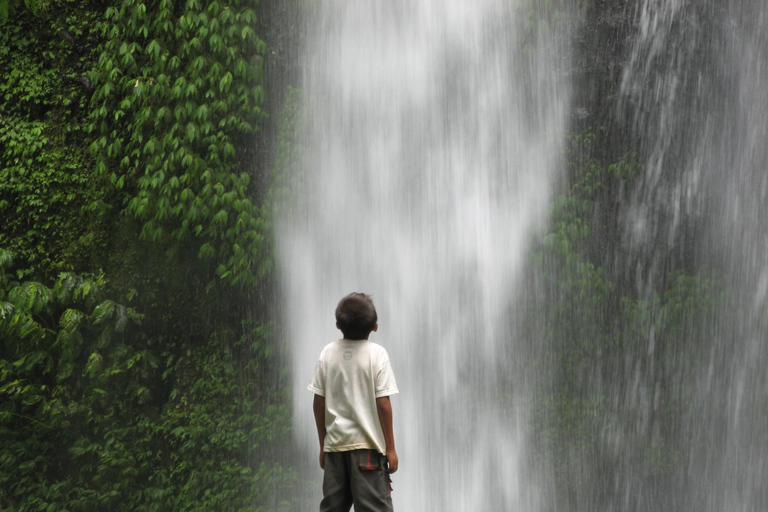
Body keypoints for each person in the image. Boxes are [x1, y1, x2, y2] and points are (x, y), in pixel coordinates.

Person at [308, 293, 399, 512]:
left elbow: (318, 403)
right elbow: (383, 404)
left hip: (335, 449)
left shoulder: (327, 353)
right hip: (367, 450)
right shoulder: (377, 354)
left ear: (337, 325)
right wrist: (391, 448)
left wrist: (323, 445)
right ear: (375, 327)